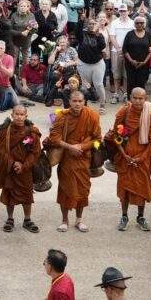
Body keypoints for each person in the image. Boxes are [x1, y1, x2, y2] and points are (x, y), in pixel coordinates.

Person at [46, 90, 102, 232]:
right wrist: (70, 147)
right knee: (65, 190)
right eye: (74, 101)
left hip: (84, 159)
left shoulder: (92, 115)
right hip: (67, 159)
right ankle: (64, 220)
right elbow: (54, 138)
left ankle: (79, 219)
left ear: (84, 102)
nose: (77, 104)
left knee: (83, 190)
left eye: (80, 101)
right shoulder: (61, 116)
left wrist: (82, 147)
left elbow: (97, 140)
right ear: (69, 102)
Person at [110, 87, 151, 232]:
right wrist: (124, 154)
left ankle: (141, 217)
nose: (138, 101)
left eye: (141, 98)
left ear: (146, 99)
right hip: (125, 158)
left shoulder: (150, 114)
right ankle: (124, 216)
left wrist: (141, 158)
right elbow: (116, 135)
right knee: (124, 189)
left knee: (141, 188)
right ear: (130, 98)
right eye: (135, 98)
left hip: (143, 159)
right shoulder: (124, 112)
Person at [0, 103, 42, 233]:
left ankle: (27, 219)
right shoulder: (5, 131)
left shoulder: (31, 132)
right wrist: (13, 163)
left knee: (27, 194)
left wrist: (24, 166)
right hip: (9, 168)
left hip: (25, 169)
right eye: (17, 114)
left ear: (26, 116)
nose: (19, 117)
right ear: (12, 115)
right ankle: (10, 218)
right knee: (9, 194)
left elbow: (35, 152)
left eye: (22, 115)